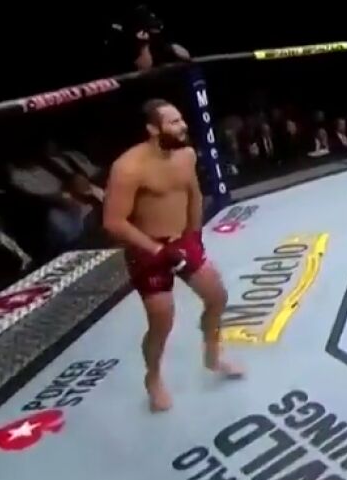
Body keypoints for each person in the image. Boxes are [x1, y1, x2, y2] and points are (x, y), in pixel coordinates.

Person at [103, 99, 243, 413]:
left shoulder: (186, 155)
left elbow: (193, 194)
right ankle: (153, 378)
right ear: (153, 129)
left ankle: (213, 354)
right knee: (162, 321)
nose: (183, 126)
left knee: (217, 296)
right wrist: (156, 250)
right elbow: (113, 222)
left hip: (182, 241)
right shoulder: (128, 167)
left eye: (181, 119)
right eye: (174, 122)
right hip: (147, 249)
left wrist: (195, 235)